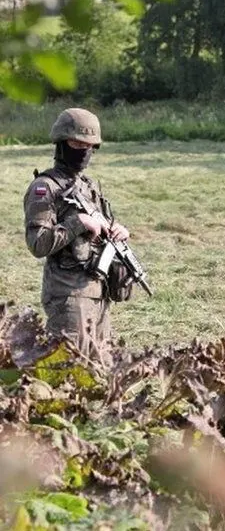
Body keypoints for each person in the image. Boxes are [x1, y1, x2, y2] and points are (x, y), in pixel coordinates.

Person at [23, 108, 130, 364]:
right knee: (67, 371)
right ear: (61, 143)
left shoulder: (88, 187)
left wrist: (119, 232)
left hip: (98, 293)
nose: (84, 150)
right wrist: (77, 222)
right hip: (68, 296)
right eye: (76, 143)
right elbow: (38, 244)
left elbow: (103, 230)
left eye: (90, 146)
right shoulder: (44, 188)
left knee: (100, 372)